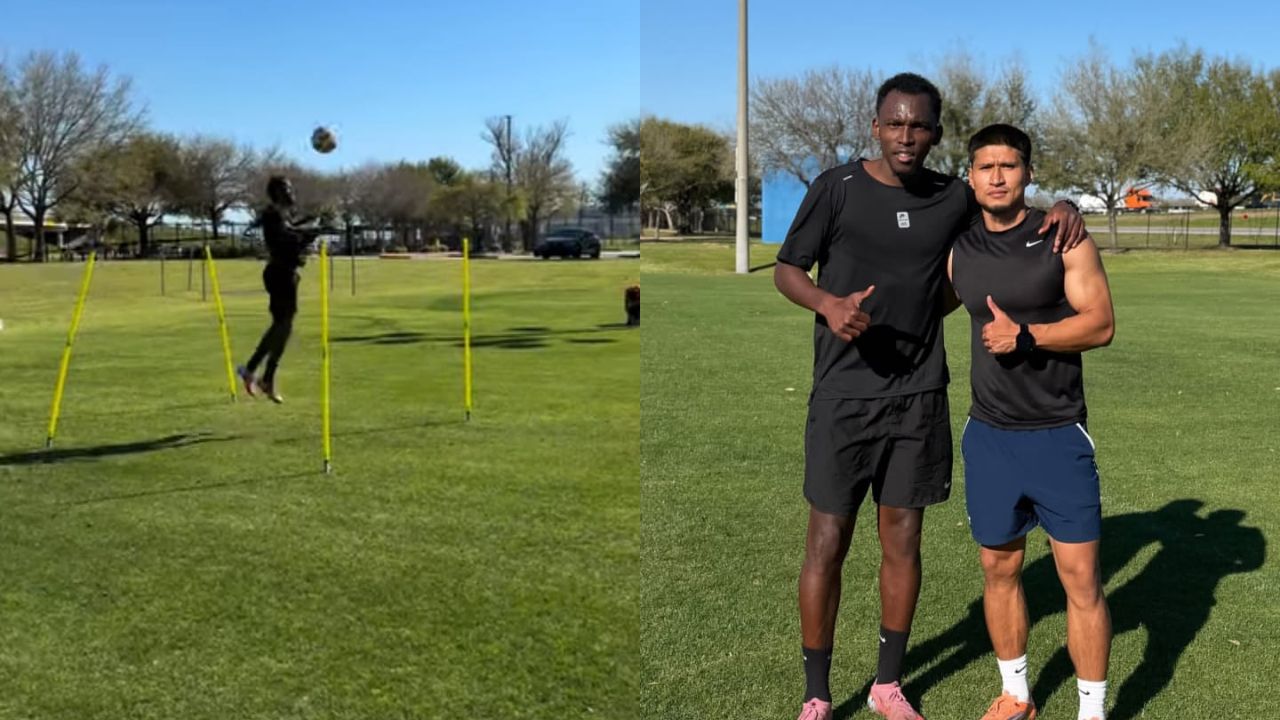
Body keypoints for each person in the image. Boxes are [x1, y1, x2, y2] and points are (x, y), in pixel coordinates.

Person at [774, 73, 1088, 720]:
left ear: (936, 134)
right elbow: (786, 268)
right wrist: (828, 304)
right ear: (875, 127)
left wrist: (1063, 206)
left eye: (918, 126)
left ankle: (888, 685)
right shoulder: (836, 188)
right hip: (842, 394)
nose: (906, 136)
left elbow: (1008, 206)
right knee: (827, 541)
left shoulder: (951, 196)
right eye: (895, 123)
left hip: (919, 394)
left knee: (903, 542)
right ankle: (817, 694)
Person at [948, 123, 1115, 720]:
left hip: (1056, 435)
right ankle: (1016, 695)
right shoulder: (958, 247)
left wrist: (1027, 336)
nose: (997, 176)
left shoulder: (1062, 236)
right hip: (989, 437)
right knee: (999, 568)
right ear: (970, 176)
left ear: (1027, 173)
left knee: (1080, 578)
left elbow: (1100, 323)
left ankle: (1091, 712)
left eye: (1009, 165)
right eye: (986, 167)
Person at [238, 175, 313, 404]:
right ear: (278, 193)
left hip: (287, 274)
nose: (291, 192)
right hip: (279, 275)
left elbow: (292, 234)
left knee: (283, 326)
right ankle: (258, 373)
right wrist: (308, 233)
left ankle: (259, 374)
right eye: (287, 189)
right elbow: (287, 239)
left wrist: (309, 229)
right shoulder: (272, 215)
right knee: (282, 325)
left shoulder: (281, 216)